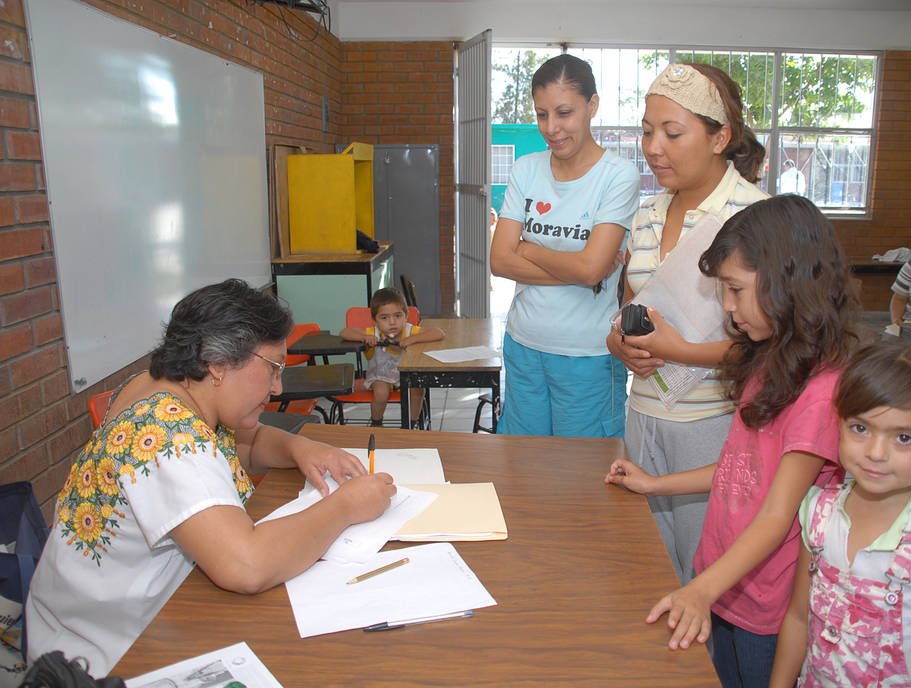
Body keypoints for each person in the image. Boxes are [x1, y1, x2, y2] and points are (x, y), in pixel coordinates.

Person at [25, 279, 397, 675]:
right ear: (217, 364)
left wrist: (300, 448)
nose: (277, 387)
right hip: (101, 653)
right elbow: (246, 565)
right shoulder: (166, 435)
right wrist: (346, 506)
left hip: (131, 612)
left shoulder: (166, 385)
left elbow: (243, 446)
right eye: (273, 368)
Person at [605, 195, 861, 687]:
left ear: (789, 281)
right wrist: (656, 484)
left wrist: (700, 589)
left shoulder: (819, 392)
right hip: (728, 584)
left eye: (735, 289)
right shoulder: (770, 361)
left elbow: (776, 516)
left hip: (765, 605)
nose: (726, 305)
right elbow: (741, 468)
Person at [605, 62, 769, 582]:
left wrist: (679, 352)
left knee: (709, 573)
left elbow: (774, 345)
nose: (654, 148)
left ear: (720, 137)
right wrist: (619, 343)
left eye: (672, 134)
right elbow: (629, 307)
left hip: (715, 424)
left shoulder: (758, 216)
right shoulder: (647, 212)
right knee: (645, 568)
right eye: (647, 131)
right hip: (643, 413)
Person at [770, 340, 911, 688]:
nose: (875, 452)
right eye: (860, 428)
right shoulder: (819, 513)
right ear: (839, 422)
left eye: (904, 438)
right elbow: (798, 618)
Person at [489, 54, 640, 437]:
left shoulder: (618, 176)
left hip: (587, 355)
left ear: (592, 105)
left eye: (564, 113)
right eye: (542, 115)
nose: (551, 128)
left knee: (584, 467)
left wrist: (529, 248)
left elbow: (590, 269)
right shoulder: (527, 169)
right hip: (524, 346)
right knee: (523, 461)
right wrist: (585, 270)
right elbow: (500, 261)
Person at [340, 286, 444, 426]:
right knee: (381, 392)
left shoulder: (409, 331)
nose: (392, 322)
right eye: (384, 318)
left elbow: (438, 332)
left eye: (398, 316)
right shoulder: (374, 333)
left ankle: (410, 424)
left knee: (418, 389)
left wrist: (412, 339)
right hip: (380, 377)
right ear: (375, 321)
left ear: (406, 316)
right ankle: (377, 423)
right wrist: (364, 337)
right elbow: (344, 332)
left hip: (406, 378)